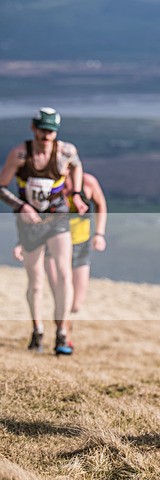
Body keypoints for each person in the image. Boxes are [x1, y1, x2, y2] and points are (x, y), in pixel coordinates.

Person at [0, 107, 88, 355]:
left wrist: (77, 194)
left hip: (58, 217)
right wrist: (22, 206)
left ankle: (61, 332)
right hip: (29, 223)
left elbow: (77, 166)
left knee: (63, 274)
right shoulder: (20, 154)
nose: (46, 136)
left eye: (51, 131)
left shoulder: (66, 151)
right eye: (42, 130)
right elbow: (1, 187)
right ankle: (37, 330)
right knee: (36, 280)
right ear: (33, 128)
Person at [13, 172, 107, 352]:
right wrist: (22, 242)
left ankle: (63, 329)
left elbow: (101, 203)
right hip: (53, 245)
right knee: (59, 294)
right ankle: (62, 337)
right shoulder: (51, 187)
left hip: (80, 245)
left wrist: (99, 234)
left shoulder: (88, 183)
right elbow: (35, 215)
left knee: (76, 304)